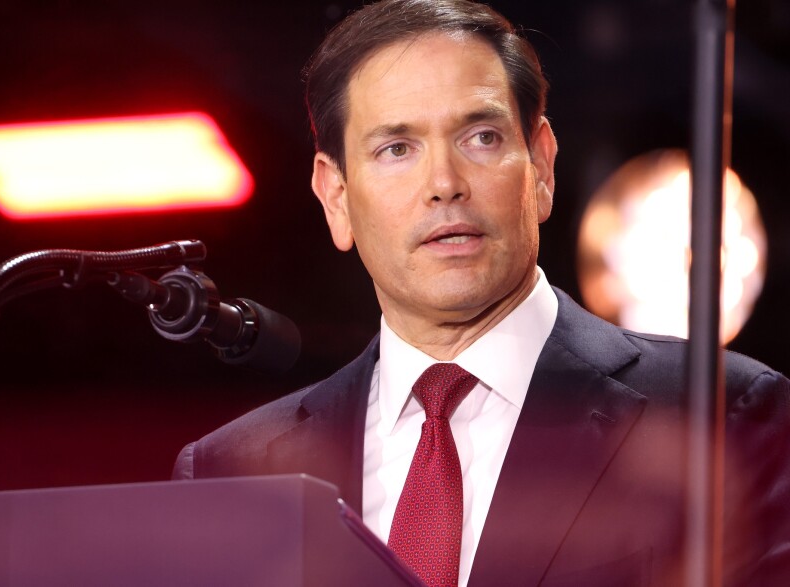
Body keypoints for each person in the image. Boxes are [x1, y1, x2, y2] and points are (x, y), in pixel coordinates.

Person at [173, 1, 790, 585]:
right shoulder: (232, 474)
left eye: (481, 138)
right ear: (335, 196)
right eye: (396, 149)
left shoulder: (722, 416)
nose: (444, 184)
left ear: (542, 166)